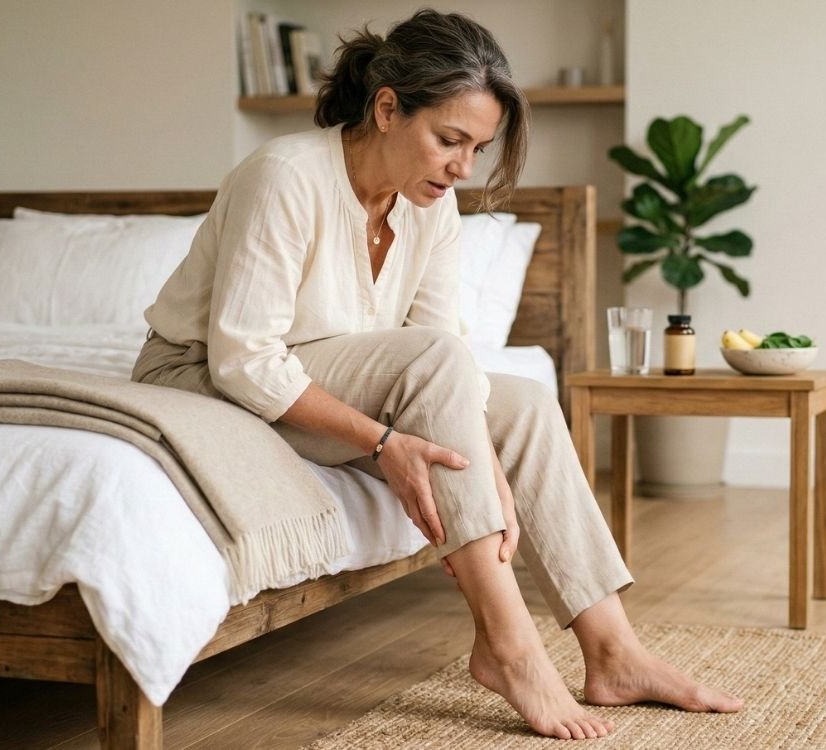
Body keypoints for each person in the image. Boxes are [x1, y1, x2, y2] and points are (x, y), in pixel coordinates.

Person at [133, 9, 742, 740]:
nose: (462, 167)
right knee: (444, 364)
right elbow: (246, 360)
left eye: (477, 148)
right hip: (202, 374)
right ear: (387, 107)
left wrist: (485, 468)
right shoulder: (284, 177)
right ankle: (509, 644)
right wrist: (386, 445)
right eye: (449, 140)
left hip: (325, 368)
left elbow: (440, 342)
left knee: (521, 404)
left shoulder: (433, 207)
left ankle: (613, 648)